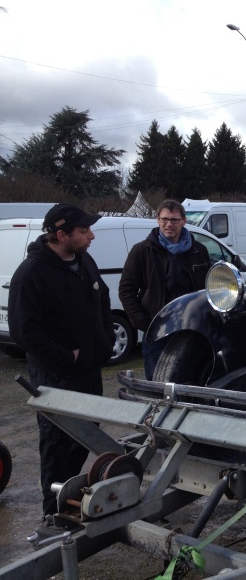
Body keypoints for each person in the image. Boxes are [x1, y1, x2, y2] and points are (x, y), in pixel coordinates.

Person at [8, 203, 114, 522]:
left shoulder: (84, 261)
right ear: (60, 234)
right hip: (55, 378)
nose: (91, 236)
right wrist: (65, 356)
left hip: (87, 373)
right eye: (83, 231)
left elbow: (103, 299)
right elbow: (24, 331)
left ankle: (69, 495)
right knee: (57, 444)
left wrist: (104, 342)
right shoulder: (31, 275)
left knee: (87, 433)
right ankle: (52, 512)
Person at [119, 199, 211, 379]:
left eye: (174, 220)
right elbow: (126, 290)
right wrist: (146, 323)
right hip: (157, 331)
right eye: (165, 219)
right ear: (158, 220)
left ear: (183, 221)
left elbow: (207, 289)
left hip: (192, 329)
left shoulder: (199, 250)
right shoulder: (141, 251)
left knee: (192, 381)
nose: (169, 224)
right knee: (157, 385)